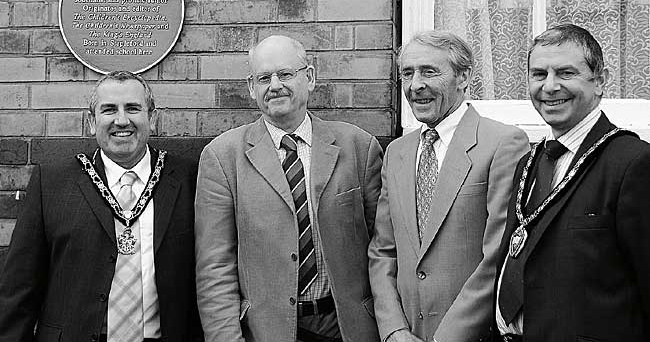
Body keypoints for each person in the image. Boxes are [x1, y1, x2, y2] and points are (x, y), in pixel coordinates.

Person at [195, 35, 383, 342]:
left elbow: (384, 250)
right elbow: (215, 268)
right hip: (264, 331)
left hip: (347, 328)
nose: (275, 85)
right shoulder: (222, 157)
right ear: (250, 87)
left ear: (309, 77)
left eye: (285, 74)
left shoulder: (358, 147)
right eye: (264, 78)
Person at [0, 71, 203, 342]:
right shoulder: (51, 183)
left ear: (152, 118)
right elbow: (19, 288)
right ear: (91, 121)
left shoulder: (190, 180)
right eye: (109, 110)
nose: (122, 120)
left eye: (133, 108)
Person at [369, 30, 529, 342]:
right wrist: (393, 330)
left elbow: (498, 256)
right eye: (407, 73)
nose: (416, 85)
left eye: (429, 71)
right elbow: (383, 251)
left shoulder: (503, 144)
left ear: (464, 77)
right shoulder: (397, 153)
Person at [493, 24, 650, 342]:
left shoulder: (633, 162)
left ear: (600, 81)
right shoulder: (530, 161)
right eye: (539, 74)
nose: (549, 87)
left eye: (565, 73)